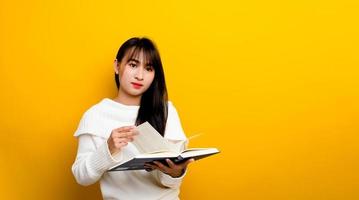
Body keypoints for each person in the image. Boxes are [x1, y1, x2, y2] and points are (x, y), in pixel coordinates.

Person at [71, 37, 194, 200]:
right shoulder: (95, 115)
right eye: (133, 65)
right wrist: (108, 149)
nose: (140, 76)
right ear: (117, 66)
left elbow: (171, 184)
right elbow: (82, 177)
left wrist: (175, 172)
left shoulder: (166, 111)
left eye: (148, 68)